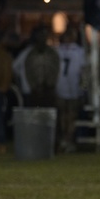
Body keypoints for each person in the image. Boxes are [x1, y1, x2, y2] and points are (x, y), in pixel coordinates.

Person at [55, 24, 86, 153]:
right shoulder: (79, 51)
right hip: (69, 87)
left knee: (67, 115)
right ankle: (66, 140)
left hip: (65, 87)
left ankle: (66, 140)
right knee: (68, 115)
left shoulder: (57, 50)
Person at [23, 25, 60, 108]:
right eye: (40, 35)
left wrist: (50, 85)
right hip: (35, 90)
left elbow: (55, 69)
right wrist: (33, 86)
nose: (42, 38)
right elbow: (28, 71)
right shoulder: (31, 54)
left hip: (49, 90)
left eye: (44, 35)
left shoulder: (52, 53)